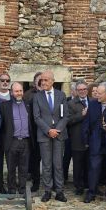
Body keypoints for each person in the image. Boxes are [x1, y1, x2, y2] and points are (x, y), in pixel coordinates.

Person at [32, 70, 70, 202]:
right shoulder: (37, 97)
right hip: (44, 135)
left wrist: (57, 130)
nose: (43, 82)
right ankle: (47, 190)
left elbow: (65, 116)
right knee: (47, 165)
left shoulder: (61, 95)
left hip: (59, 135)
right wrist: (49, 130)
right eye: (41, 80)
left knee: (58, 164)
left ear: (53, 81)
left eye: (46, 80)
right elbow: (36, 117)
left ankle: (59, 191)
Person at [0, 82, 33, 196]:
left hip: (25, 141)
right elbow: (2, 125)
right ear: (11, 92)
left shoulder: (29, 104)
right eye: (16, 91)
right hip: (12, 141)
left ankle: (22, 188)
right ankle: (12, 188)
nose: (19, 93)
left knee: (24, 167)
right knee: (11, 167)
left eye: (20, 91)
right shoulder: (5, 106)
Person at [67, 81, 90, 196]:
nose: (82, 91)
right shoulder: (71, 103)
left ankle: (88, 184)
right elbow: (68, 120)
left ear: (87, 89)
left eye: (84, 89)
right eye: (80, 89)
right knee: (78, 164)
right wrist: (82, 115)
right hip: (77, 138)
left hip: (90, 138)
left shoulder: (94, 102)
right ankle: (78, 186)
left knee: (89, 163)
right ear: (76, 91)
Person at [24, 71, 42, 192]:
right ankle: (35, 181)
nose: (42, 82)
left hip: (47, 131)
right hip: (33, 131)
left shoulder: (50, 94)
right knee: (34, 158)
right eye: (39, 80)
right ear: (35, 82)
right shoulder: (28, 95)